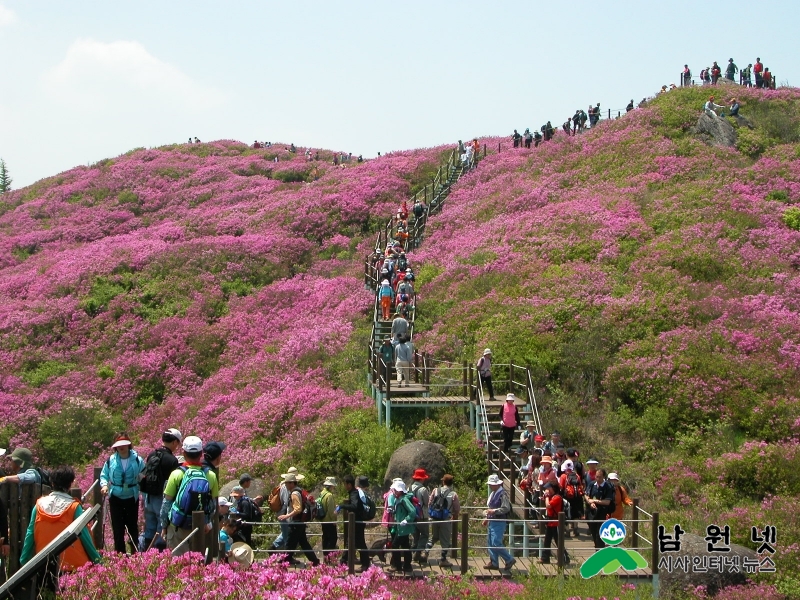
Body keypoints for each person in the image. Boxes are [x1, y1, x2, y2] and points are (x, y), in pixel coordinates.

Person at [20, 465, 101, 586]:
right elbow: (85, 536)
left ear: (52, 483)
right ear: (70, 483)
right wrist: (98, 561)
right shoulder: (74, 507)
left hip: (44, 565)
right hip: (73, 568)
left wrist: (24, 561)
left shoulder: (39, 505)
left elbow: (30, 534)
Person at [160, 435, 219, 556]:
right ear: (201, 453)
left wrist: (164, 526)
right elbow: (213, 504)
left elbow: (167, 503)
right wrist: (207, 522)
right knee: (197, 567)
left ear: (184, 453)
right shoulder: (211, 475)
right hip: (199, 527)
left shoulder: (177, 474)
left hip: (178, 526)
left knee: (177, 566)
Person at [100, 434, 145, 553]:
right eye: (118, 445)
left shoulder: (137, 459)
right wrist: (104, 485)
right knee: (118, 528)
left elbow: (143, 475)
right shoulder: (111, 460)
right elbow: (104, 475)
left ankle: (135, 553)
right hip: (115, 497)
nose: (121, 447)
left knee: (132, 526)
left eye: (124, 444)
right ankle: (120, 555)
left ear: (128, 444)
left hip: (131, 496)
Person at [139, 428, 182, 551]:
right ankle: (158, 555)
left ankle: (145, 553)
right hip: (161, 498)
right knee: (161, 528)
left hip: (148, 497)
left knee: (150, 527)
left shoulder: (152, 455)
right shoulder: (172, 460)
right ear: (174, 442)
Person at [277, 473, 319, 567]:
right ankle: (315, 561)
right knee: (303, 543)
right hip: (300, 522)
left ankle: (283, 562)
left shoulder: (294, 493)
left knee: (289, 543)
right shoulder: (299, 491)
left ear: (292, 483)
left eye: (287, 483)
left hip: (296, 522)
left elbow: (298, 509)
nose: (286, 485)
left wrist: (286, 516)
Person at [483, 474, 515, 571]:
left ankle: (509, 559)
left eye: (491, 484)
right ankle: (494, 562)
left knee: (496, 542)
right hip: (493, 520)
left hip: (499, 521)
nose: (490, 486)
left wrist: (494, 511)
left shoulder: (502, 494)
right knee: (490, 542)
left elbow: (506, 508)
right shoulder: (495, 493)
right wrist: (487, 518)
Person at [338, 475, 371, 572]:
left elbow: (354, 506)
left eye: (345, 484)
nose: (344, 486)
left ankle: (365, 564)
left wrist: (342, 506)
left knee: (360, 543)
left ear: (349, 484)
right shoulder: (354, 493)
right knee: (351, 542)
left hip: (357, 523)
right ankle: (343, 562)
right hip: (357, 522)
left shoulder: (354, 494)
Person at [427, 474, 459, 566]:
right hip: (445, 519)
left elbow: (430, 503)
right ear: (451, 483)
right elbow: (456, 509)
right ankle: (443, 560)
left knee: (434, 537)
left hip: (435, 517)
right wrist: (454, 515)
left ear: (443, 482)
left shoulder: (436, 490)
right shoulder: (453, 494)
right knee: (445, 540)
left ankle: (425, 553)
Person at [270, 467, 304, 551]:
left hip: (284, 514)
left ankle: (272, 548)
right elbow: (286, 502)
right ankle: (287, 557)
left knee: (285, 534)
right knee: (287, 537)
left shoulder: (283, 485)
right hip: (285, 515)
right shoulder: (286, 487)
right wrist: (287, 515)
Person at [387, 480, 416, 572]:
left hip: (403, 528)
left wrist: (406, 520)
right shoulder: (398, 499)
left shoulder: (404, 499)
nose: (394, 492)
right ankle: (407, 566)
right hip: (400, 527)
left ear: (399, 491)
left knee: (395, 545)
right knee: (405, 546)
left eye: (395, 490)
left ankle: (398, 566)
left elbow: (412, 511)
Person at [584, 468, 615, 548]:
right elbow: (586, 495)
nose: (597, 479)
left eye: (599, 477)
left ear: (603, 477)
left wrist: (595, 501)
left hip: (603, 513)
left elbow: (607, 502)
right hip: (592, 512)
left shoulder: (608, 486)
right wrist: (590, 502)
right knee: (593, 532)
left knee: (599, 534)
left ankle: (600, 552)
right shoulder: (592, 484)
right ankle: (597, 549)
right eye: (596, 476)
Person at [538, 482, 565, 564]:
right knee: (547, 540)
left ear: (553, 489)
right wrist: (545, 497)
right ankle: (545, 558)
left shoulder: (557, 497)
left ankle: (564, 558)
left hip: (556, 522)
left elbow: (548, 505)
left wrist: (546, 497)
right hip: (550, 522)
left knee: (558, 541)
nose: (547, 490)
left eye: (548, 489)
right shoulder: (552, 497)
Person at [409, 469, 430, 563]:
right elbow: (426, 502)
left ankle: (412, 554)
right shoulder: (423, 489)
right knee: (425, 534)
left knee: (416, 535)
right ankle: (418, 552)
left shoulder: (409, 488)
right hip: (422, 515)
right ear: (422, 479)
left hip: (413, 515)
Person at [319, 477, 338, 560]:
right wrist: (334, 520)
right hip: (329, 521)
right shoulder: (329, 495)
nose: (333, 488)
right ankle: (329, 557)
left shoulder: (322, 493)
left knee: (325, 538)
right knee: (333, 538)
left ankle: (325, 556)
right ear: (330, 486)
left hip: (323, 520)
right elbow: (331, 511)